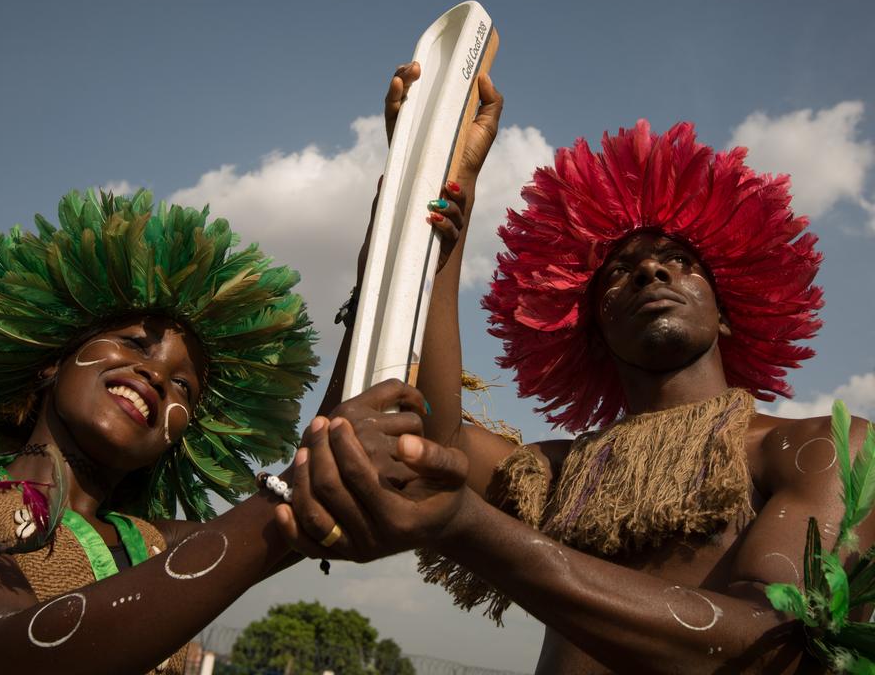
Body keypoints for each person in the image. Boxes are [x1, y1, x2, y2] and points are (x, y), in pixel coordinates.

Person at [276, 66, 874, 673]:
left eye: (679, 261)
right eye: (619, 271)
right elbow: (430, 440)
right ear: (589, 326)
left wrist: (470, 527)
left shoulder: (823, 448)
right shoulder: (560, 474)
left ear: (726, 314)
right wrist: (430, 196)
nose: (650, 272)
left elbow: (775, 644)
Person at [0, 179, 471, 674]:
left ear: (183, 439)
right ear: (51, 361)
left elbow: (371, 450)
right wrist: (287, 497)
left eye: (184, 387)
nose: (154, 376)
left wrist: (401, 262)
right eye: (132, 343)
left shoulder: (163, 548)